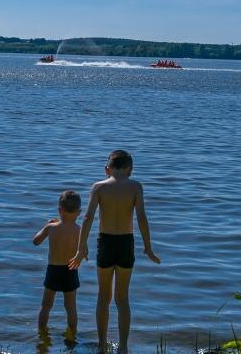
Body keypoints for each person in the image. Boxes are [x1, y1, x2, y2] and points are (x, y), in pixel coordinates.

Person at [68, 150, 161, 354]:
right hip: (126, 243)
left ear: (107, 169)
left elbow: (87, 218)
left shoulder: (99, 187)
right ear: (130, 169)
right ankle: (124, 347)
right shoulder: (135, 187)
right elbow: (141, 217)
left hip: (106, 243)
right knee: (122, 299)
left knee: (103, 297)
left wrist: (81, 247)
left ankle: (102, 346)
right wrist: (148, 247)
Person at [33, 190, 82, 337]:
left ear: (59, 210)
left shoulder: (51, 228)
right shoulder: (79, 230)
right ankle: (72, 335)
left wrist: (46, 226)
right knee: (71, 307)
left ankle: (42, 334)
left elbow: (36, 241)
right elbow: (83, 251)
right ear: (79, 212)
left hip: (53, 270)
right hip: (71, 270)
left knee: (46, 305)